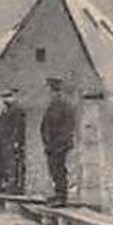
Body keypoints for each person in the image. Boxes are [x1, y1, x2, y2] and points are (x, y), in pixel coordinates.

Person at [40, 77, 77, 205]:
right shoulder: (52, 106)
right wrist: (46, 141)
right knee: (53, 170)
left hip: (59, 145)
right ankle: (57, 194)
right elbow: (46, 125)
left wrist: (60, 143)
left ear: (56, 91)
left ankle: (62, 197)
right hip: (51, 145)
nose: (49, 94)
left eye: (50, 91)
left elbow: (68, 127)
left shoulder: (65, 106)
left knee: (59, 170)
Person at [1, 89, 27, 194]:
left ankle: (17, 186)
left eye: (7, 97)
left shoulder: (17, 110)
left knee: (15, 163)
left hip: (14, 141)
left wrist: (16, 141)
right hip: (8, 140)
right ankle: (11, 184)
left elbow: (18, 126)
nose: (5, 100)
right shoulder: (7, 109)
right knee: (9, 163)